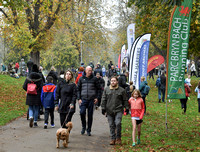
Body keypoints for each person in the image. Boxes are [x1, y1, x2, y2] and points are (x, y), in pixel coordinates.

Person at [101, 76, 129, 145]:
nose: (113, 82)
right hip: (109, 110)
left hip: (118, 109)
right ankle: (113, 138)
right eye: (112, 81)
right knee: (111, 125)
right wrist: (103, 108)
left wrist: (127, 108)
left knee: (118, 123)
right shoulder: (107, 89)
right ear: (110, 82)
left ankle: (118, 138)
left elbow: (125, 100)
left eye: (114, 81)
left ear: (117, 82)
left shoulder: (122, 90)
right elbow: (104, 99)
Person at [77, 66, 100, 136]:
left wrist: (97, 98)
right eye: (89, 70)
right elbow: (78, 89)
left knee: (90, 115)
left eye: (91, 70)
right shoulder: (81, 79)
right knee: (82, 112)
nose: (90, 72)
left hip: (91, 100)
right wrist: (79, 98)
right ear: (85, 71)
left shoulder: (94, 79)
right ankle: (83, 127)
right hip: (83, 99)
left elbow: (99, 89)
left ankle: (89, 129)